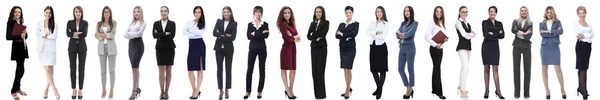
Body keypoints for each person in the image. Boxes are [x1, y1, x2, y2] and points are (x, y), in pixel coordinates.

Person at [539, 6, 565, 99]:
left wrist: (548, 31)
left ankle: (562, 89)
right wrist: (554, 32)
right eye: (547, 12)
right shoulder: (541, 23)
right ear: (545, 13)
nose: (549, 14)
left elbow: (561, 32)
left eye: (551, 12)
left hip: (554, 47)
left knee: (558, 68)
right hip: (545, 47)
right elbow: (542, 34)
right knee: (544, 69)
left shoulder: (558, 22)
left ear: (553, 13)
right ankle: (547, 90)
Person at [244, 6, 269, 99]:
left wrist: (254, 33)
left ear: (261, 13)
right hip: (252, 49)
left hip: (262, 49)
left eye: (260, 12)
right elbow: (248, 36)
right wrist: (260, 33)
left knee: (262, 70)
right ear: (254, 13)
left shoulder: (265, 24)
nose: (258, 13)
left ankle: (259, 91)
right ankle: (247, 91)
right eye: (256, 12)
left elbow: (266, 35)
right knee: (249, 70)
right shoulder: (250, 24)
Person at [213, 6, 237, 100]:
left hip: (229, 49)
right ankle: (220, 90)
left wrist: (221, 35)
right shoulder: (219, 21)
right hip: (219, 48)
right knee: (219, 69)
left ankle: (227, 89)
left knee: (228, 69)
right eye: (224, 12)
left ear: (230, 13)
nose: (225, 13)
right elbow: (214, 33)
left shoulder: (234, 24)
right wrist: (225, 35)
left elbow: (233, 37)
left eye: (227, 12)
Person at [481, 6, 505, 99]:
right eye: (491, 12)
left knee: (495, 68)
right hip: (486, 47)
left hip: (495, 47)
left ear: (496, 13)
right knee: (486, 68)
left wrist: (493, 33)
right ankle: (487, 90)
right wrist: (497, 33)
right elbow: (485, 34)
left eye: (494, 12)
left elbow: (502, 35)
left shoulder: (499, 23)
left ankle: (498, 91)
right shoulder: (484, 22)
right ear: (488, 12)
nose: (492, 13)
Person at [183, 6, 207, 99]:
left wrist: (191, 31)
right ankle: (195, 89)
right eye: (196, 12)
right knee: (190, 70)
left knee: (199, 69)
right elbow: (184, 32)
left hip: (200, 45)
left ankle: (197, 91)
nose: (197, 14)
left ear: (201, 13)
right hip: (192, 46)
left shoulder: (203, 23)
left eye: (199, 12)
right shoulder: (189, 22)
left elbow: (200, 33)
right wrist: (194, 32)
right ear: (194, 13)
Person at [153, 6, 176, 100]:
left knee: (169, 70)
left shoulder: (172, 23)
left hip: (169, 48)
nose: (163, 13)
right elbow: (154, 35)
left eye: (165, 11)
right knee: (161, 71)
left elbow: (172, 35)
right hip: (160, 49)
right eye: (161, 11)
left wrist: (160, 35)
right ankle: (161, 91)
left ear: (168, 12)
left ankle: (167, 91)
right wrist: (165, 34)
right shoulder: (156, 23)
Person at [277, 6, 300, 99]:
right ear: (282, 14)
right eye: (285, 13)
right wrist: (294, 37)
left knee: (293, 70)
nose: (287, 14)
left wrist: (293, 37)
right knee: (284, 69)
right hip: (286, 49)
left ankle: (290, 89)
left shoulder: (291, 24)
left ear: (291, 14)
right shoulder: (283, 24)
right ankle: (288, 89)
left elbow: (299, 38)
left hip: (293, 49)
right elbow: (288, 38)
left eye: (288, 13)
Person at [425, 6, 447, 99]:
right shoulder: (432, 22)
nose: (439, 13)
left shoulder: (442, 23)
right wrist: (435, 44)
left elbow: (440, 35)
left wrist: (444, 39)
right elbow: (426, 36)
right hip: (434, 49)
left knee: (436, 69)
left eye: (440, 12)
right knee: (437, 69)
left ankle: (434, 90)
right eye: (437, 12)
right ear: (434, 12)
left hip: (440, 49)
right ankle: (439, 92)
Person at [95, 6, 117, 99]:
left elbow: (112, 35)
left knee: (111, 70)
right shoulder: (99, 23)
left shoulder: (114, 23)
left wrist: (101, 34)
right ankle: (104, 89)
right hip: (101, 48)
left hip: (111, 48)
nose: (106, 14)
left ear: (110, 13)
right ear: (103, 13)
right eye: (105, 12)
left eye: (108, 12)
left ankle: (112, 89)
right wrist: (104, 35)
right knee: (103, 71)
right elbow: (96, 35)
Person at [366, 6, 389, 99]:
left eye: (380, 12)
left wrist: (373, 33)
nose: (379, 13)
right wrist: (376, 32)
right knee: (373, 69)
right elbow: (367, 31)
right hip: (373, 47)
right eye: (377, 12)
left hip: (381, 48)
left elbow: (383, 36)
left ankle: (379, 90)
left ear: (383, 13)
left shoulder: (386, 24)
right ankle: (379, 88)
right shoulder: (372, 22)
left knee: (382, 70)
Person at [37, 6, 60, 99]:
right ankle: (55, 90)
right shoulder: (39, 23)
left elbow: (54, 36)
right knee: (47, 69)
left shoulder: (55, 24)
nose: (48, 14)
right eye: (46, 12)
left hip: (51, 49)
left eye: (50, 13)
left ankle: (46, 89)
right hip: (42, 49)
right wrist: (45, 34)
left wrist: (47, 36)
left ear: (52, 14)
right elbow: (37, 33)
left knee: (50, 71)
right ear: (44, 13)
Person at [307, 6, 329, 99]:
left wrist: (314, 34)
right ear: (315, 13)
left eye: (320, 12)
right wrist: (315, 35)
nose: (318, 13)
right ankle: (317, 95)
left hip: (321, 48)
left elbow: (323, 34)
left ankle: (322, 95)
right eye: (317, 12)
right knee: (314, 71)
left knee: (320, 71)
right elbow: (308, 35)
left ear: (322, 13)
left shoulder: (326, 22)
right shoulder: (312, 23)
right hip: (313, 48)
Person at [124, 6, 146, 100]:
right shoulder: (132, 23)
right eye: (135, 12)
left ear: (141, 13)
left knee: (134, 67)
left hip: (138, 46)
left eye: (138, 12)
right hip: (131, 46)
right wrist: (132, 34)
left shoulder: (143, 23)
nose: (136, 13)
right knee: (135, 68)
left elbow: (138, 34)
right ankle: (137, 88)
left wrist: (130, 34)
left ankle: (134, 91)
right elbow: (124, 34)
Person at [511, 6, 533, 99]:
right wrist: (524, 33)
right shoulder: (515, 21)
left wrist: (519, 33)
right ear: (520, 12)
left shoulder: (530, 23)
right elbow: (513, 30)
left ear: (527, 12)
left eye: (525, 11)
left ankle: (526, 94)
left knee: (527, 71)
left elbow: (529, 36)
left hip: (527, 48)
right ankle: (516, 94)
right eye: (522, 11)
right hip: (516, 47)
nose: (523, 12)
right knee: (516, 70)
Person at [66, 6, 88, 100]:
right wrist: (77, 33)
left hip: (82, 48)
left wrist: (73, 33)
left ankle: (80, 89)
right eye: (76, 12)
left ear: (81, 13)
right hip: (72, 48)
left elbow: (84, 34)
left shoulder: (85, 22)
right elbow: (68, 34)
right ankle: (74, 89)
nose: (77, 13)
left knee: (81, 69)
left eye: (79, 12)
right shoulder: (69, 22)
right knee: (72, 69)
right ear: (74, 13)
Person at [337, 6, 359, 99]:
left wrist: (342, 34)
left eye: (350, 12)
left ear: (352, 13)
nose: (348, 14)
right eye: (346, 12)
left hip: (350, 49)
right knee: (345, 69)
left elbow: (354, 34)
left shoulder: (356, 24)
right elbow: (336, 35)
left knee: (348, 68)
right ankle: (348, 87)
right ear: (345, 13)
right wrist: (345, 36)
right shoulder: (341, 24)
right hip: (342, 48)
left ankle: (347, 90)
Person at [7, 6, 29, 100]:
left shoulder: (20, 22)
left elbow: (24, 36)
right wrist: (20, 35)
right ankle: (13, 91)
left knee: (21, 69)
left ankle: (18, 88)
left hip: (23, 47)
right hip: (17, 49)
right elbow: (8, 37)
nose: (17, 14)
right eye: (15, 12)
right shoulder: (10, 22)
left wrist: (25, 33)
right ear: (13, 13)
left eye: (19, 12)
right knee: (20, 70)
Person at [397, 6, 418, 99]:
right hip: (401, 47)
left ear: (411, 12)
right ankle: (408, 86)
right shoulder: (403, 23)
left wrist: (401, 34)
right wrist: (401, 35)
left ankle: (410, 88)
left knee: (410, 68)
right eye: (405, 11)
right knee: (400, 69)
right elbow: (396, 35)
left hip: (410, 48)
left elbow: (409, 34)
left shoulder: (415, 23)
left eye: (408, 11)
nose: (406, 12)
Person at [455, 6, 475, 99]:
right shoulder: (458, 22)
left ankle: (460, 86)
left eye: (466, 12)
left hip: (468, 47)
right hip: (461, 47)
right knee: (466, 67)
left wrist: (470, 35)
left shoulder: (467, 23)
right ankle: (463, 90)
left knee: (465, 68)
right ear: (459, 12)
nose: (465, 13)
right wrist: (470, 35)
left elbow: (474, 34)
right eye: (463, 12)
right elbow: (464, 35)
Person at [574, 6, 592, 100]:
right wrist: (586, 36)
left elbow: (592, 34)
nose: (582, 15)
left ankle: (580, 88)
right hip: (580, 46)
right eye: (580, 13)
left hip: (588, 47)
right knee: (582, 68)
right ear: (578, 14)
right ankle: (584, 90)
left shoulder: (588, 23)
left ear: (585, 13)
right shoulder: (576, 24)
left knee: (584, 67)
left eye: (583, 12)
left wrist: (585, 36)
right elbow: (578, 35)